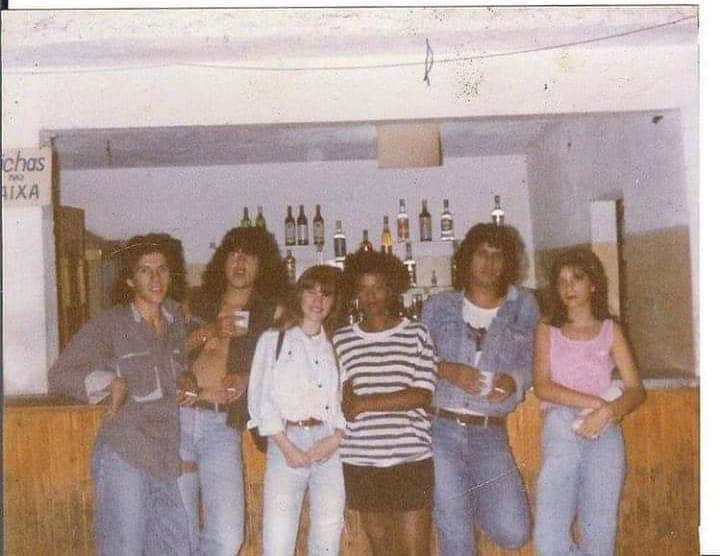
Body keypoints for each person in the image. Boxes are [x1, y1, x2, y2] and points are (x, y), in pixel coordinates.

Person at [48, 234, 192, 556]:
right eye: (145, 271)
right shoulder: (109, 324)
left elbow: (183, 363)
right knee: (124, 550)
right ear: (130, 280)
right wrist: (108, 381)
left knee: (177, 548)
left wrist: (189, 377)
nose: (155, 279)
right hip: (124, 456)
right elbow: (60, 374)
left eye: (162, 270)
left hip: (165, 458)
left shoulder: (176, 324)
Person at [421, 222, 538, 555]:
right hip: (440, 430)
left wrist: (514, 380)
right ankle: (453, 509)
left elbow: (535, 362)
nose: (489, 262)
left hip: (489, 432)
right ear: (466, 259)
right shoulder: (438, 306)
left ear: (508, 262)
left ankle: (459, 502)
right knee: (456, 536)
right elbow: (414, 361)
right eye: (481, 253)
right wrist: (447, 369)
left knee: (514, 531)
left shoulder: (524, 305)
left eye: (498, 255)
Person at [176, 226, 287, 556]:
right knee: (178, 532)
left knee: (227, 537)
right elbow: (165, 351)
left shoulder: (272, 311)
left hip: (221, 426)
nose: (240, 263)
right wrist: (210, 330)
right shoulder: (194, 302)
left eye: (250, 257)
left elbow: (289, 364)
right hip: (178, 419)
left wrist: (248, 377)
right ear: (222, 260)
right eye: (234, 254)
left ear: (262, 266)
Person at [532, 247, 646, 556]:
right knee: (549, 540)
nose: (568, 287)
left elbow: (635, 390)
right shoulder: (547, 328)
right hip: (562, 424)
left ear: (593, 284)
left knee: (599, 535)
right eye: (561, 280)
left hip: (604, 429)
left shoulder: (611, 330)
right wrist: (596, 404)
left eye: (577, 278)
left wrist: (608, 411)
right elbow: (542, 386)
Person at [333, 250, 437, 556]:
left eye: (378, 287)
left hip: (410, 457)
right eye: (363, 289)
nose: (371, 296)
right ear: (354, 293)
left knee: (416, 551)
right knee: (382, 550)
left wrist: (364, 404)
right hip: (361, 459)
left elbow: (421, 394)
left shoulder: (417, 333)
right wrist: (351, 403)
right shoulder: (341, 340)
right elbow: (342, 400)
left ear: (392, 288)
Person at [248, 265, 346, 556]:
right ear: (299, 294)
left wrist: (335, 438)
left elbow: (343, 400)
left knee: (328, 535)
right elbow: (261, 400)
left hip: (327, 445)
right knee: (278, 537)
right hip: (286, 442)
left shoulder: (335, 344)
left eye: (326, 294)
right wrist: (287, 447)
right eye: (311, 291)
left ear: (334, 302)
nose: (318, 300)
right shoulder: (274, 339)